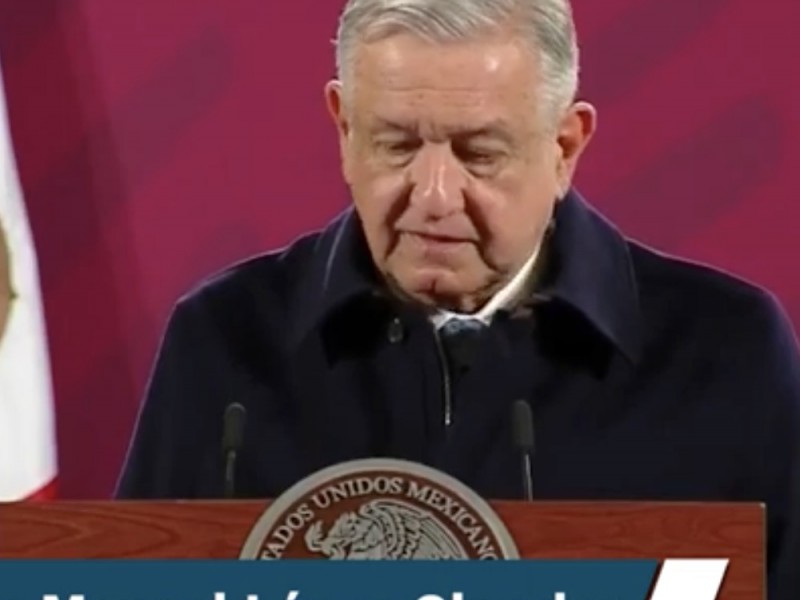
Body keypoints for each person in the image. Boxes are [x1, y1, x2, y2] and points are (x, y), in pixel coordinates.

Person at [116, 0, 800, 596]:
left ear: (564, 147)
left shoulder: (725, 351)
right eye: (397, 145)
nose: (434, 196)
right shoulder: (224, 340)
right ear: (344, 131)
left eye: (479, 154)